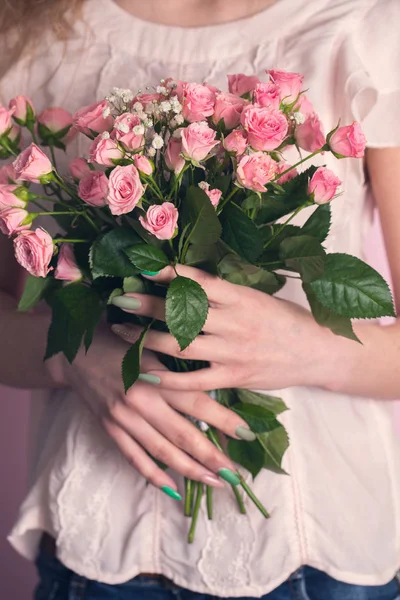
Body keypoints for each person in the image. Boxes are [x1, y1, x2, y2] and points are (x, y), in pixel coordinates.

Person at [1, 0, 400, 598]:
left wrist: (306, 346)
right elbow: (12, 313)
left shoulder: (363, 25)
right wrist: (77, 358)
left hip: (314, 557)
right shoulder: (28, 31)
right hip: (99, 552)